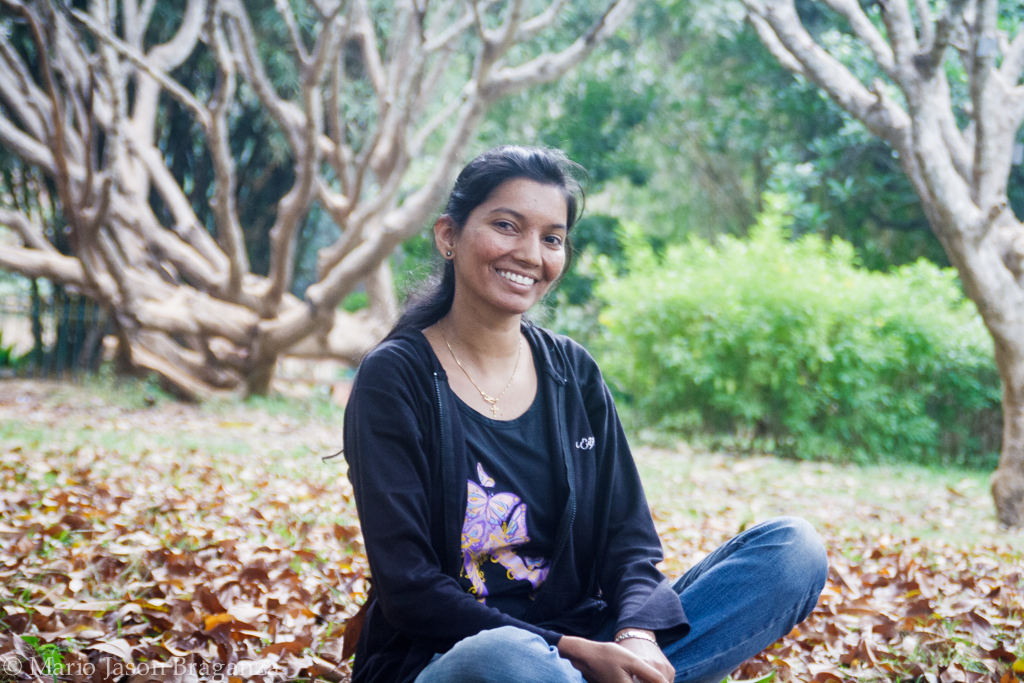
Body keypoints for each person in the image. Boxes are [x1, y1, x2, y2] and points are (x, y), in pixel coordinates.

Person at [342, 146, 828, 683]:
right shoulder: (395, 377)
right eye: (507, 226)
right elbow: (410, 589)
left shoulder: (572, 371)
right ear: (448, 236)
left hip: (587, 647)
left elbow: (630, 543)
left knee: (791, 550)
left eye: (552, 238)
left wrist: (635, 638)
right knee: (509, 658)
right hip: (450, 659)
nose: (530, 254)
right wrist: (573, 653)